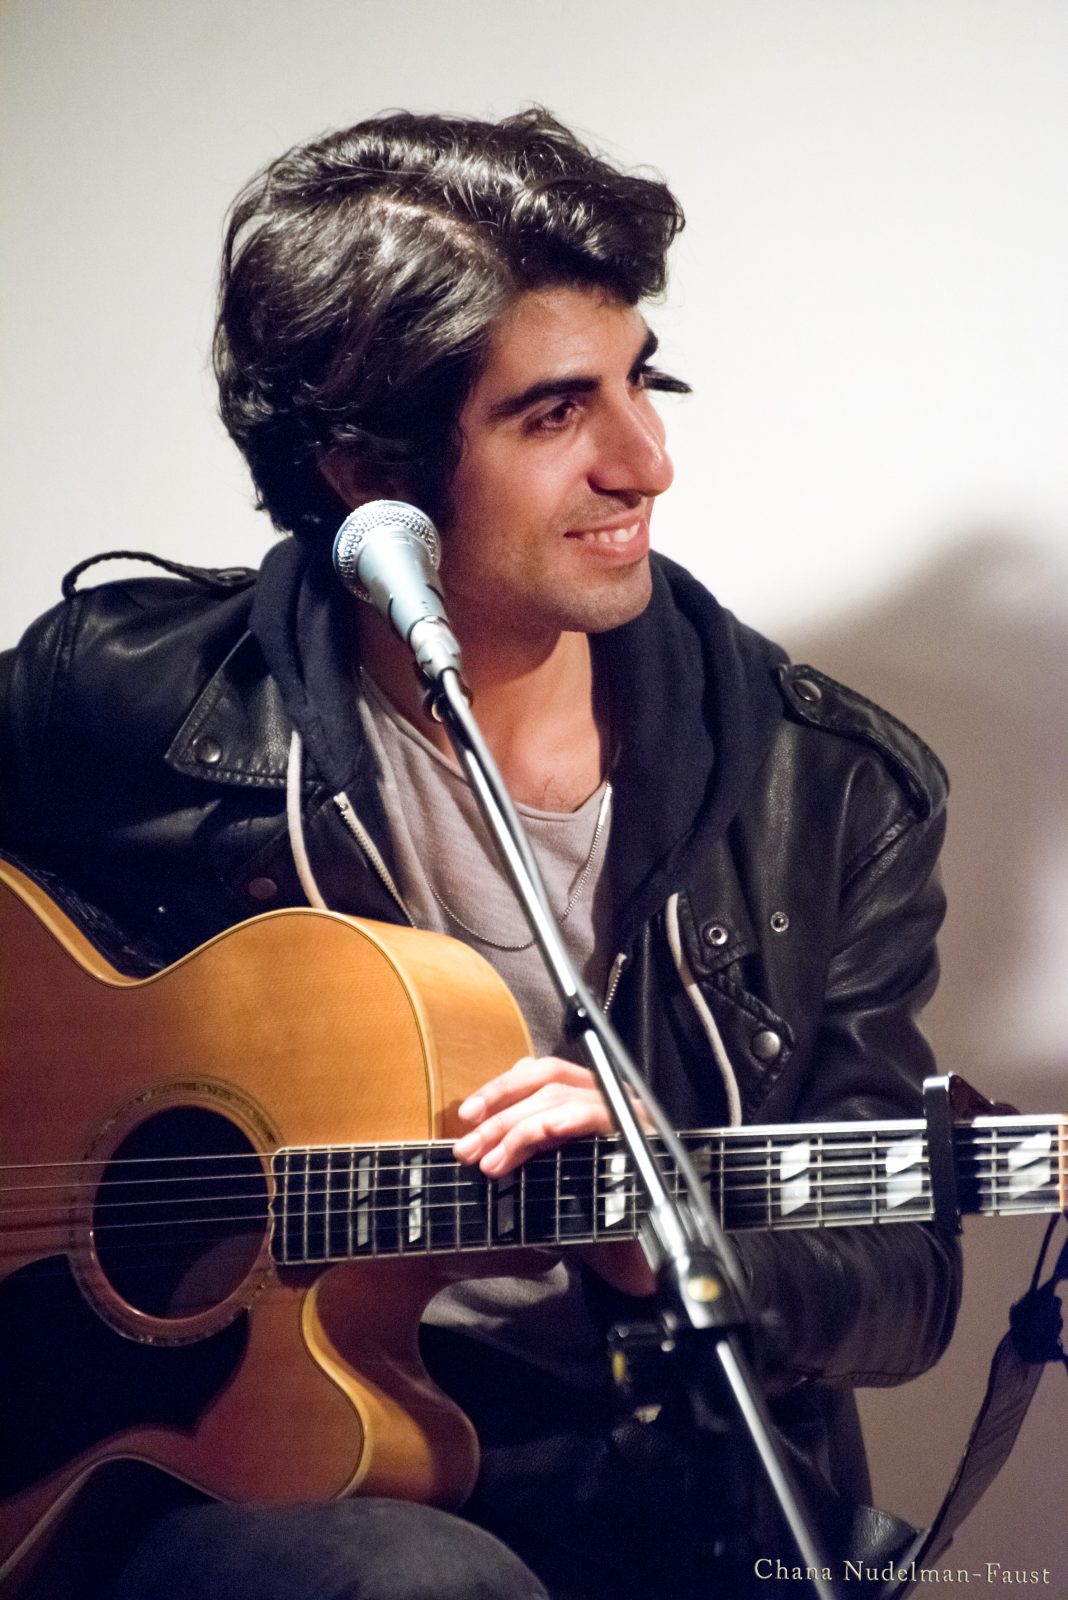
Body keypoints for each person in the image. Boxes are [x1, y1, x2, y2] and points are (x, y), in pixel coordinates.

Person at [0, 109, 962, 1599]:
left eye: (643, 382)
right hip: (219, 1455)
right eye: (555, 413)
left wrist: (662, 1236)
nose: (647, 462)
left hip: (661, 1471)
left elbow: (903, 1278)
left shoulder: (829, 788)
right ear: (357, 475)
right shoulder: (119, 704)